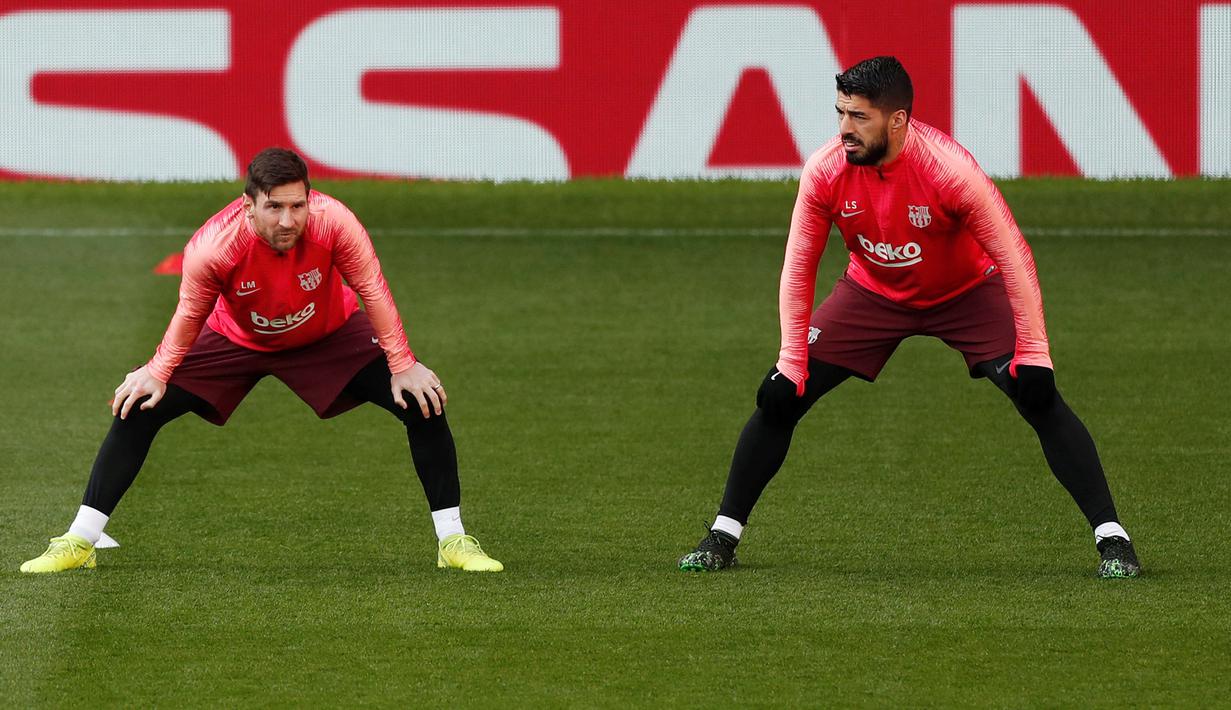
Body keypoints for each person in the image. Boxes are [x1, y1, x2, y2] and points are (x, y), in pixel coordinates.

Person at [677, 56, 1139, 579]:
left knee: (1037, 396)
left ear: (897, 120)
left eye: (859, 117)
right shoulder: (827, 170)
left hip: (966, 293)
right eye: (841, 114)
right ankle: (722, 536)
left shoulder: (949, 171)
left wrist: (1035, 353)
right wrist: (791, 361)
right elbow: (798, 266)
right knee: (779, 396)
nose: (844, 130)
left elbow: (1013, 255)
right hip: (872, 293)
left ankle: (1113, 540)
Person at [21, 148, 502, 573]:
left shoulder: (335, 223)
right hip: (236, 340)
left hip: (328, 334)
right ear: (248, 206)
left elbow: (371, 288)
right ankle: (80, 539)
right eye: (274, 207)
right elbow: (191, 312)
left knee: (423, 401)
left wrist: (402, 362)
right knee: (138, 407)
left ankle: (453, 540)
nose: (288, 220)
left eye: (297, 206)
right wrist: (158, 372)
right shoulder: (214, 246)